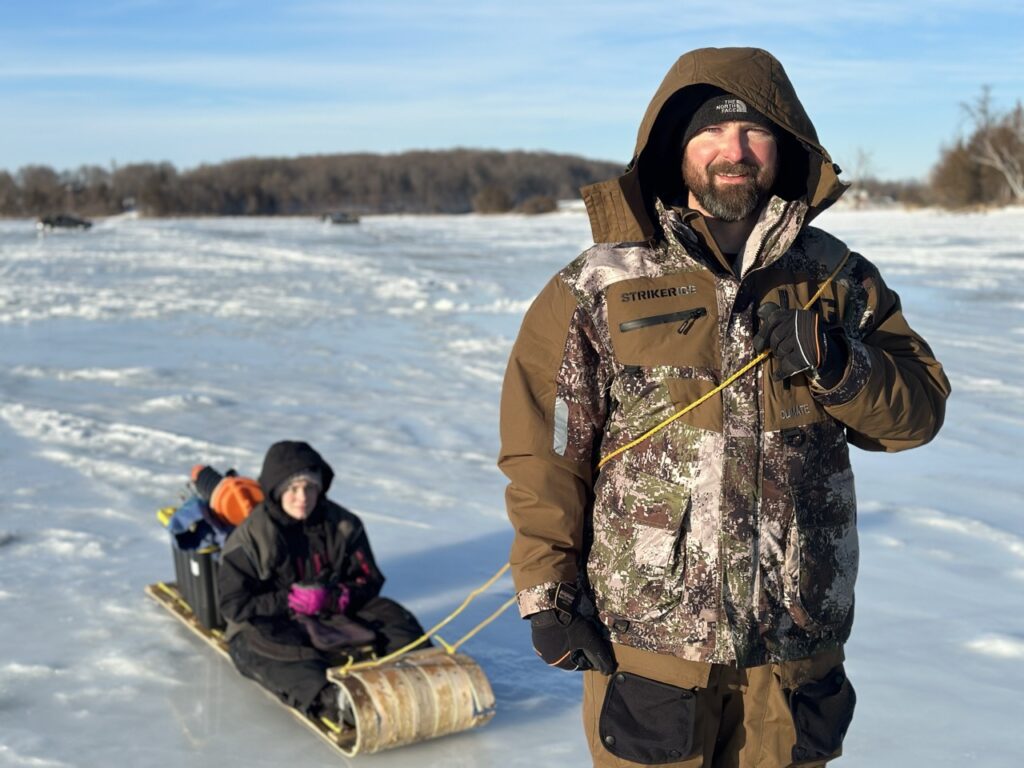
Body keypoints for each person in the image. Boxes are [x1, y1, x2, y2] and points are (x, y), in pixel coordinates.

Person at [499, 47, 950, 768]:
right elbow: (545, 448)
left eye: (752, 133)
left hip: (796, 647)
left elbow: (919, 412)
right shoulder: (600, 282)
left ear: (785, 146)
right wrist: (548, 589)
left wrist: (840, 364)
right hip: (653, 644)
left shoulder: (835, 277)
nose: (731, 152)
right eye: (709, 134)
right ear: (674, 148)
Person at [217, 440, 427, 724]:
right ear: (277, 491)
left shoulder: (343, 524)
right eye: (292, 488)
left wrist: (335, 597)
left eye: (309, 487)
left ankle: (423, 669)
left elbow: (369, 578)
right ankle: (333, 699)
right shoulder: (250, 539)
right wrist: (288, 600)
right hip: (276, 620)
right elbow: (233, 605)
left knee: (392, 614)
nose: (301, 497)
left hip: (333, 612)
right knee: (259, 644)